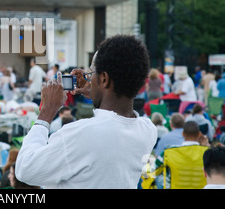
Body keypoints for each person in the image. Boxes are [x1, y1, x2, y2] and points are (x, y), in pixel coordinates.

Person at [15, 34, 158, 188]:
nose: (89, 79)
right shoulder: (148, 130)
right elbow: (114, 119)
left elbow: (25, 169)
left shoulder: (80, 134)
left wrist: (47, 112)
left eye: (91, 73)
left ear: (104, 79)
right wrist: (99, 91)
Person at [152, 120, 210, 189]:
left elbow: (152, 170)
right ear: (199, 134)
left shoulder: (169, 152)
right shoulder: (208, 153)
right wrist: (207, 146)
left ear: (183, 134)